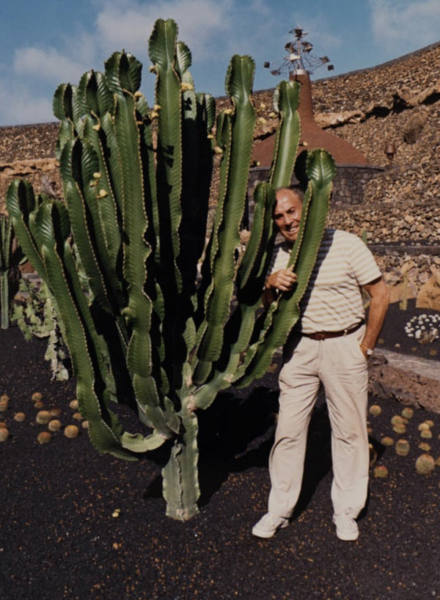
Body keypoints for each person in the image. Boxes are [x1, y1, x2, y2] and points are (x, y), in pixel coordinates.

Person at [252, 185, 390, 541]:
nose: (287, 220)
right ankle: (279, 509)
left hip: (345, 344)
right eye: (279, 216)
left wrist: (366, 349)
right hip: (300, 349)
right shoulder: (275, 254)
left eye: (292, 211)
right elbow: (265, 305)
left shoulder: (345, 243)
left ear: (307, 209)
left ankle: (346, 510)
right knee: (288, 432)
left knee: (349, 432)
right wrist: (269, 284)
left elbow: (380, 293)